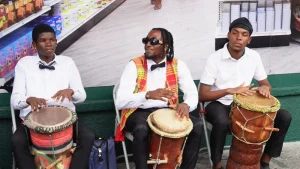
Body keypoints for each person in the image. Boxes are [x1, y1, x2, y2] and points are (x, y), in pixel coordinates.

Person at [199, 17, 292, 169]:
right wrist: (229, 90)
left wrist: (265, 89)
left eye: (244, 34)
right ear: (228, 35)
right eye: (235, 33)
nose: (238, 38)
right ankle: (216, 164)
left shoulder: (253, 57)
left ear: (249, 39)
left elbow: (266, 84)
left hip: (244, 104)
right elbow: (202, 95)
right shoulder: (214, 59)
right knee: (222, 122)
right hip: (218, 103)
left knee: (284, 116)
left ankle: (265, 160)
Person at [115, 28, 202, 169]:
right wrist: (147, 95)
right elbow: (120, 101)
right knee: (142, 128)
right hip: (138, 111)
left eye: (153, 41)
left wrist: (186, 104)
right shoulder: (134, 65)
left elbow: (192, 92)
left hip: (168, 110)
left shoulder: (178, 65)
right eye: (146, 40)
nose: (147, 44)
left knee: (196, 125)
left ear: (166, 46)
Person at [11, 24, 95, 169]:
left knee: (88, 137)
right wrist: (28, 100)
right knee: (17, 141)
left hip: (66, 121)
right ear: (34, 44)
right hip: (32, 122)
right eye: (43, 40)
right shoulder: (24, 64)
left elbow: (82, 96)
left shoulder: (67, 62)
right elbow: (15, 100)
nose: (49, 43)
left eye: (52, 40)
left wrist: (72, 92)